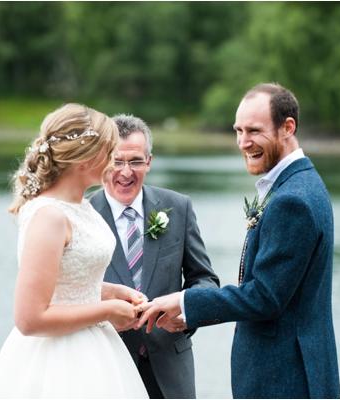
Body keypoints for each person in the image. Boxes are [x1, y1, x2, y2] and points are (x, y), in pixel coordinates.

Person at [136, 83, 340, 398]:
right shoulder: (299, 184)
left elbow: (265, 297)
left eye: (254, 131)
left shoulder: (293, 200)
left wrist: (184, 302)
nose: (243, 142)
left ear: (288, 127)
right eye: (238, 130)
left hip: (285, 379)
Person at [0, 103, 148, 397]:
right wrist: (106, 311)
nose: (114, 161)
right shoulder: (50, 216)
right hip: (59, 358)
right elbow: (29, 319)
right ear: (84, 159)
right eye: (109, 152)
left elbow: (67, 279)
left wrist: (111, 291)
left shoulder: (80, 206)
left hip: (97, 350)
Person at [89, 115, 220, 398]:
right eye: (116, 160)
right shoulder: (82, 215)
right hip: (106, 367)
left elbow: (205, 279)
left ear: (149, 162)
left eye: (135, 161)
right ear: (101, 160)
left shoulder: (178, 207)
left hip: (172, 371)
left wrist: (185, 310)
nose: (126, 172)